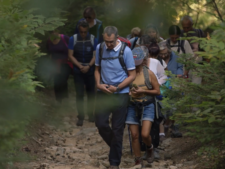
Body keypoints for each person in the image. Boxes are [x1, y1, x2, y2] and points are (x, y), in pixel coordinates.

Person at [94, 26, 136, 169]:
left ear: (117, 37)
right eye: (106, 41)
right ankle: (116, 147)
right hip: (103, 92)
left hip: (120, 94)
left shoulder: (126, 51)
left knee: (118, 129)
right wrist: (98, 84)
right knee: (101, 124)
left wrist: (118, 87)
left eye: (111, 41)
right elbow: (97, 69)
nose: (109, 44)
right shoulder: (100, 48)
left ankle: (114, 163)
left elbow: (132, 75)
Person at [126, 48, 160, 166]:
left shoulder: (149, 73)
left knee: (145, 134)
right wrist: (129, 93)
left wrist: (144, 91)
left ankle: (149, 148)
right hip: (132, 105)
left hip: (147, 104)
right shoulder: (127, 73)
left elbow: (157, 91)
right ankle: (138, 159)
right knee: (134, 135)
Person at [68, 21, 98, 126]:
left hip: (90, 69)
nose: (83, 34)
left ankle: (91, 114)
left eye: (85, 32)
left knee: (91, 94)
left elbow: (95, 55)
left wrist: (89, 66)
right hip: (78, 70)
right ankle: (80, 116)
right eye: (81, 32)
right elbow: (70, 55)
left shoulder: (93, 39)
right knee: (79, 94)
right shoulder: (73, 39)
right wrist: (80, 66)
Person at [158, 40, 183, 138]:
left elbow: (180, 68)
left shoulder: (176, 57)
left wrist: (179, 76)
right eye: (161, 54)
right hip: (162, 87)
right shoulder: (157, 59)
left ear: (169, 51)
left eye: (165, 54)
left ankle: (174, 127)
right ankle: (165, 126)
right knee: (164, 108)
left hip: (174, 85)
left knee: (174, 108)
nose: (163, 56)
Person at [46, 30, 72, 103]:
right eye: (51, 33)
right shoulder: (49, 41)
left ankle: (64, 98)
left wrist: (71, 56)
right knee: (56, 81)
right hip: (55, 63)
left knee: (63, 80)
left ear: (57, 31)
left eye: (54, 32)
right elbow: (49, 51)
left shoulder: (65, 38)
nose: (53, 34)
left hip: (65, 63)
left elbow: (72, 46)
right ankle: (59, 100)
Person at [180, 15, 206, 84]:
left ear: (192, 24)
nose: (186, 30)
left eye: (188, 27)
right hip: (184, 63)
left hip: (197, 63)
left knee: (196, 85)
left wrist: (206, 64)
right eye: (184, 28)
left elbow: (205, 49)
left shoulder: (199, 33)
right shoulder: (180, 34)